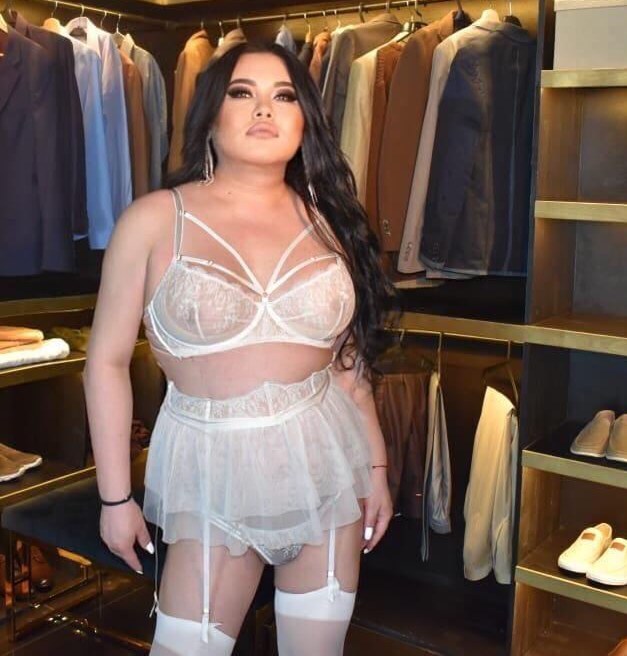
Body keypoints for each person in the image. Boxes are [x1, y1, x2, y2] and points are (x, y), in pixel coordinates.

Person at [84, 41, 396, 655]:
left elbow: (347, 366)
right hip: (211, 475)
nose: (264, 109)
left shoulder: (330, 220)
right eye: (242, 93)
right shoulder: (154, 220)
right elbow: (107, 363)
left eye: (284, 96)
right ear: (210, 115)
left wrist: (377, 470)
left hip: (326, 469)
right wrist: (115, 497)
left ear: (304, 120)